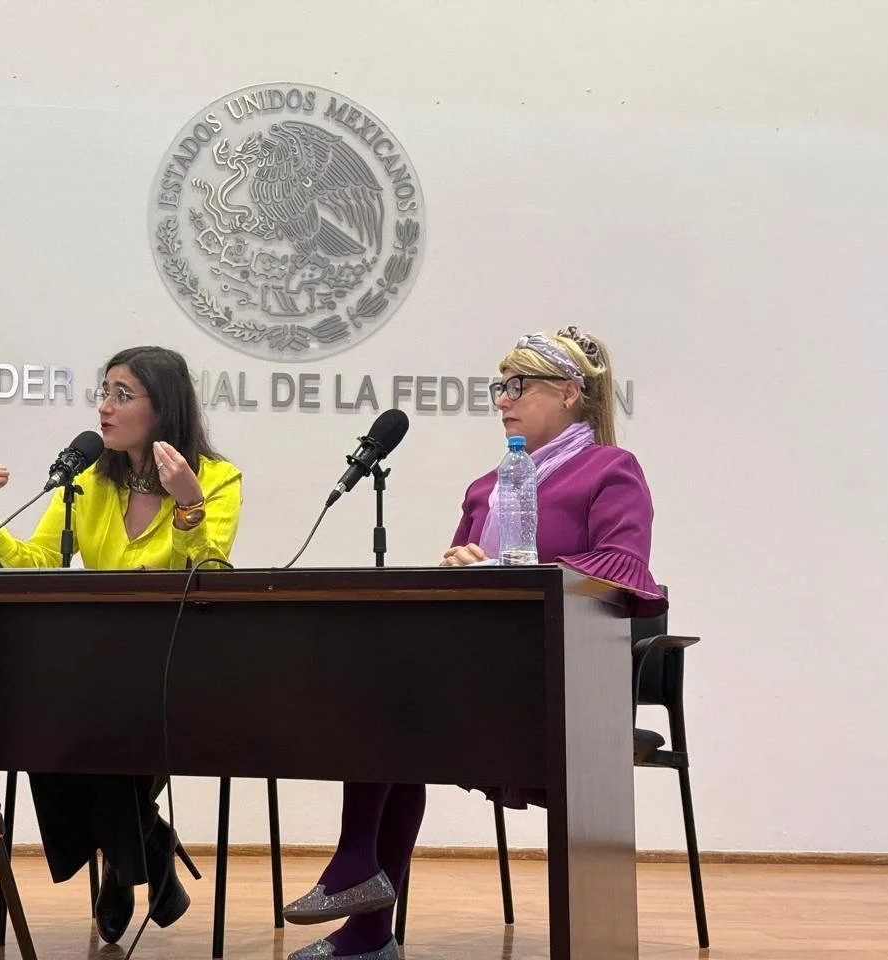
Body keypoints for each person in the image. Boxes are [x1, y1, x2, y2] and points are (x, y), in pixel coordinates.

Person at [281, 327, 666, 960]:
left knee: (391, 712)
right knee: (379, 700)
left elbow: (621, 568)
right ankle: (366, 918)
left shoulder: (612, 470)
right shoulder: (487, 486)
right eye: (500, 387)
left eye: (520, 386)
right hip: (481, 671)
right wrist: (460, 568)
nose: (503, 400)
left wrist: (520, 570)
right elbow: (465, 583)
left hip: (560, 681)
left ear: (570, 393)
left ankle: (360, 894)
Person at [0, 345, 241, 944]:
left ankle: (123, 860)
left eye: (122, 394)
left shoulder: (216, 479)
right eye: (104, 391)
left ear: (161, 408)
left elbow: (210, 571)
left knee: (104, 718)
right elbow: (40, 562)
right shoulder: (87, 481)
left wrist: (190, 506)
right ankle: (142, 846)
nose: (104, 408)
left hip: (176, 662)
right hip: (98, 666)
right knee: (47, 716)